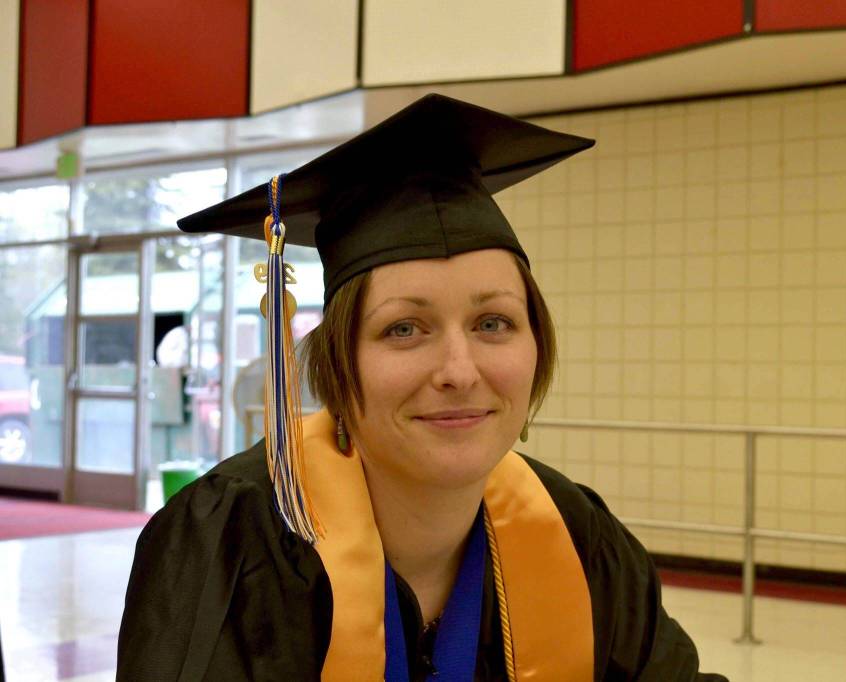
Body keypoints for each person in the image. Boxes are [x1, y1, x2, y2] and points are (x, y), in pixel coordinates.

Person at [117, 94, 727, 681]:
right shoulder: (234, 544)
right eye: (404, 329)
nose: (459, 371)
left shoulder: (576, 534)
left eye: (494, 323)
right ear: (337, 363)